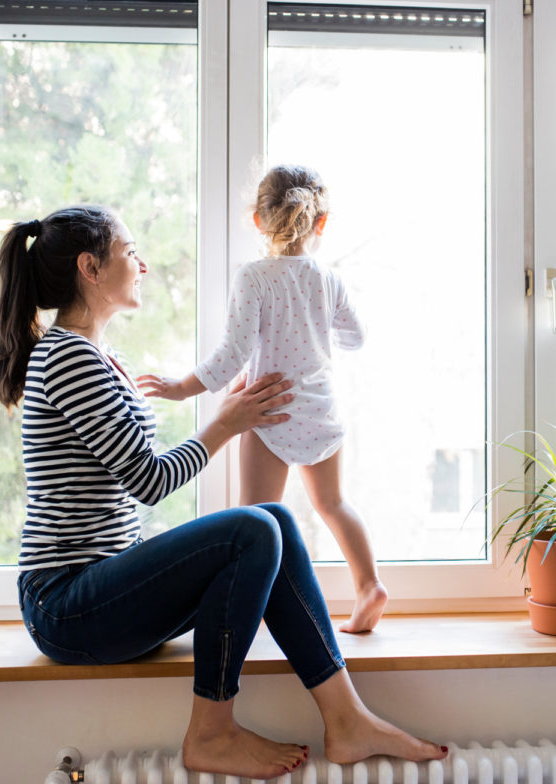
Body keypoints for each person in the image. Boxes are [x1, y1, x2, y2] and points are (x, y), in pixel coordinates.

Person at [0, 204, 446, 778]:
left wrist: (226, 414)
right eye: (130, 252)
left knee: (273, 519)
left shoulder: (99, 356)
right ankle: (211, 731)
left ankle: (346, 718)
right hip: (65, 604)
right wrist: (225, 423)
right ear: (91, 268)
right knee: (252, 527)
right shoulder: (69, 358)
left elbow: (130, 467)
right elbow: (149, 480)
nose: (143, 264)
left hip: (100, 587)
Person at [143, 165, 388, 633]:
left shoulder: (253, 278)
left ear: (257, 219)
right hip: (320, 410)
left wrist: (179, 388)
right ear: (321, 223)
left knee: (252, 522)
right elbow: (355, 337)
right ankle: (368, 585)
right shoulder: (327, 278)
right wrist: (317, 326)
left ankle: (248, 612)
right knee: (334, 504)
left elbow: (231, 355)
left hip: (267, 411)